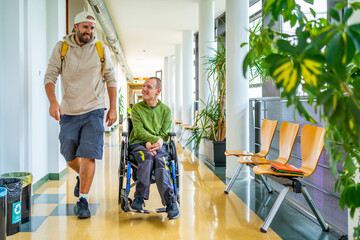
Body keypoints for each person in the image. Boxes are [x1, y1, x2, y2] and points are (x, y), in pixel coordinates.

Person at [44, 11, 117, 219]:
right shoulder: (62, 48)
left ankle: (83, 199)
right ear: (75, 27)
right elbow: (49, 76)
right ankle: (81, 177)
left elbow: (111, 79)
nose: (89, 32)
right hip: (69, 111)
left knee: (88, 154)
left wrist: (112, 108)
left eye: (92, 28)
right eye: (85, 27)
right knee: (69, 155)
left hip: (94, 109)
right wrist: (53, 102)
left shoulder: (100, 49)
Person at [129, 77, 180, 220]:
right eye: (144, 86)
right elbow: (138, 130)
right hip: (139, 144)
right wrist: (149, 142)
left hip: (158, 145)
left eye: (149, 87)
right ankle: (139, 198)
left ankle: (171, 202)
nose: (144, 89)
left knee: (160, 160)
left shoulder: (165, 110)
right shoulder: (137, 108)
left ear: (158, 91)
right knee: (147, 157)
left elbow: (164, 132)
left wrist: (158, 141)